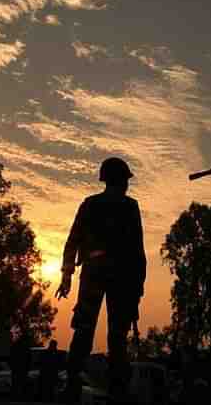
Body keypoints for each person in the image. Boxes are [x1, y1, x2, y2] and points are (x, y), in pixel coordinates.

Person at [55, 157, 147, 403]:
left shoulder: (90, 204)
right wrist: (137, 287)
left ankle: (74, 383)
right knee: (115, 336)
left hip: (96, 274)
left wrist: (66, 275)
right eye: (125, 180)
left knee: (86, 331)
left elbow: (72, 241)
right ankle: (116, 389)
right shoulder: (129, 207)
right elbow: (138, 251)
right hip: (120, 278)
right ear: (120, 180)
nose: (127, 185)